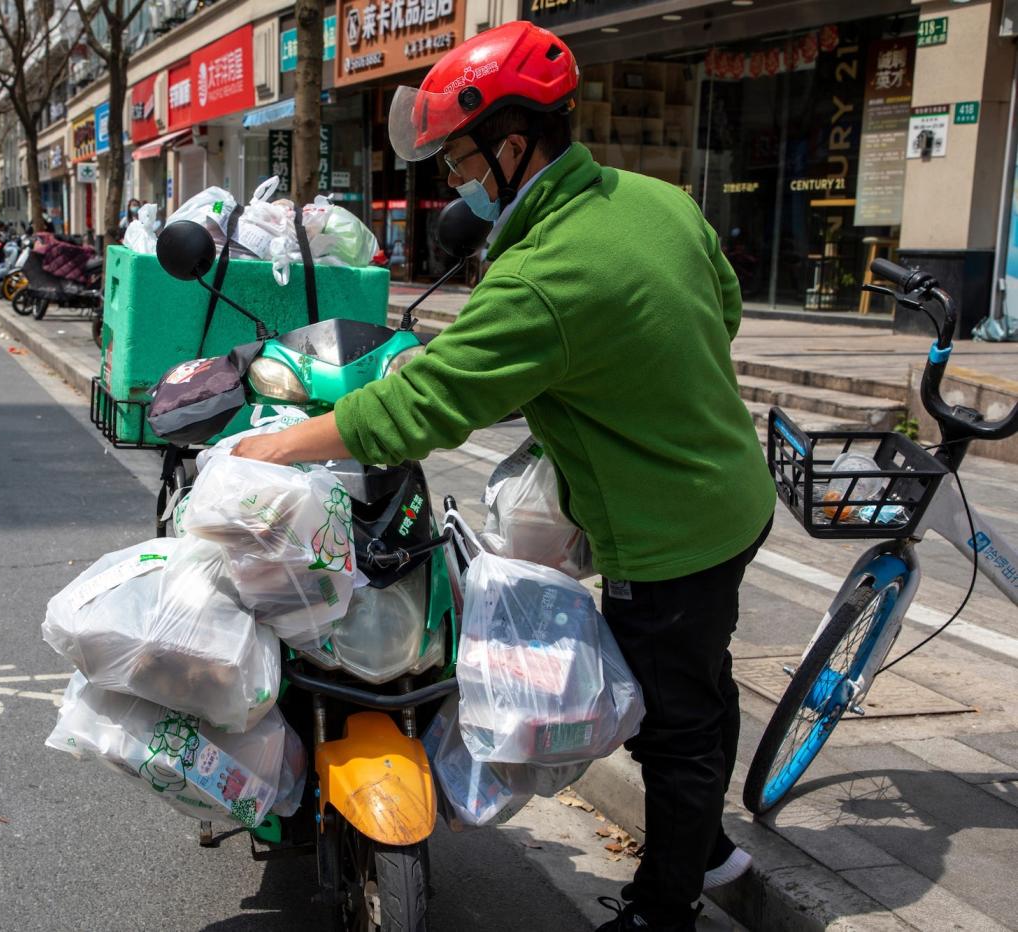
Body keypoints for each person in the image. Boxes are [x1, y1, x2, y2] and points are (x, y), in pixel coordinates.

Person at [230, 21, 774, 931]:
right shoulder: (657, 200)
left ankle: (666, 905)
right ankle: (707, 843)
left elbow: (422, 411)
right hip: (732, 490)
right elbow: (724, 306)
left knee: (673, 718)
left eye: (462, 164)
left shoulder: (544, 276)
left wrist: (277, 447)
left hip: (667, 532)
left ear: (514, 146)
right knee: (702, 684)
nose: (457, 184)